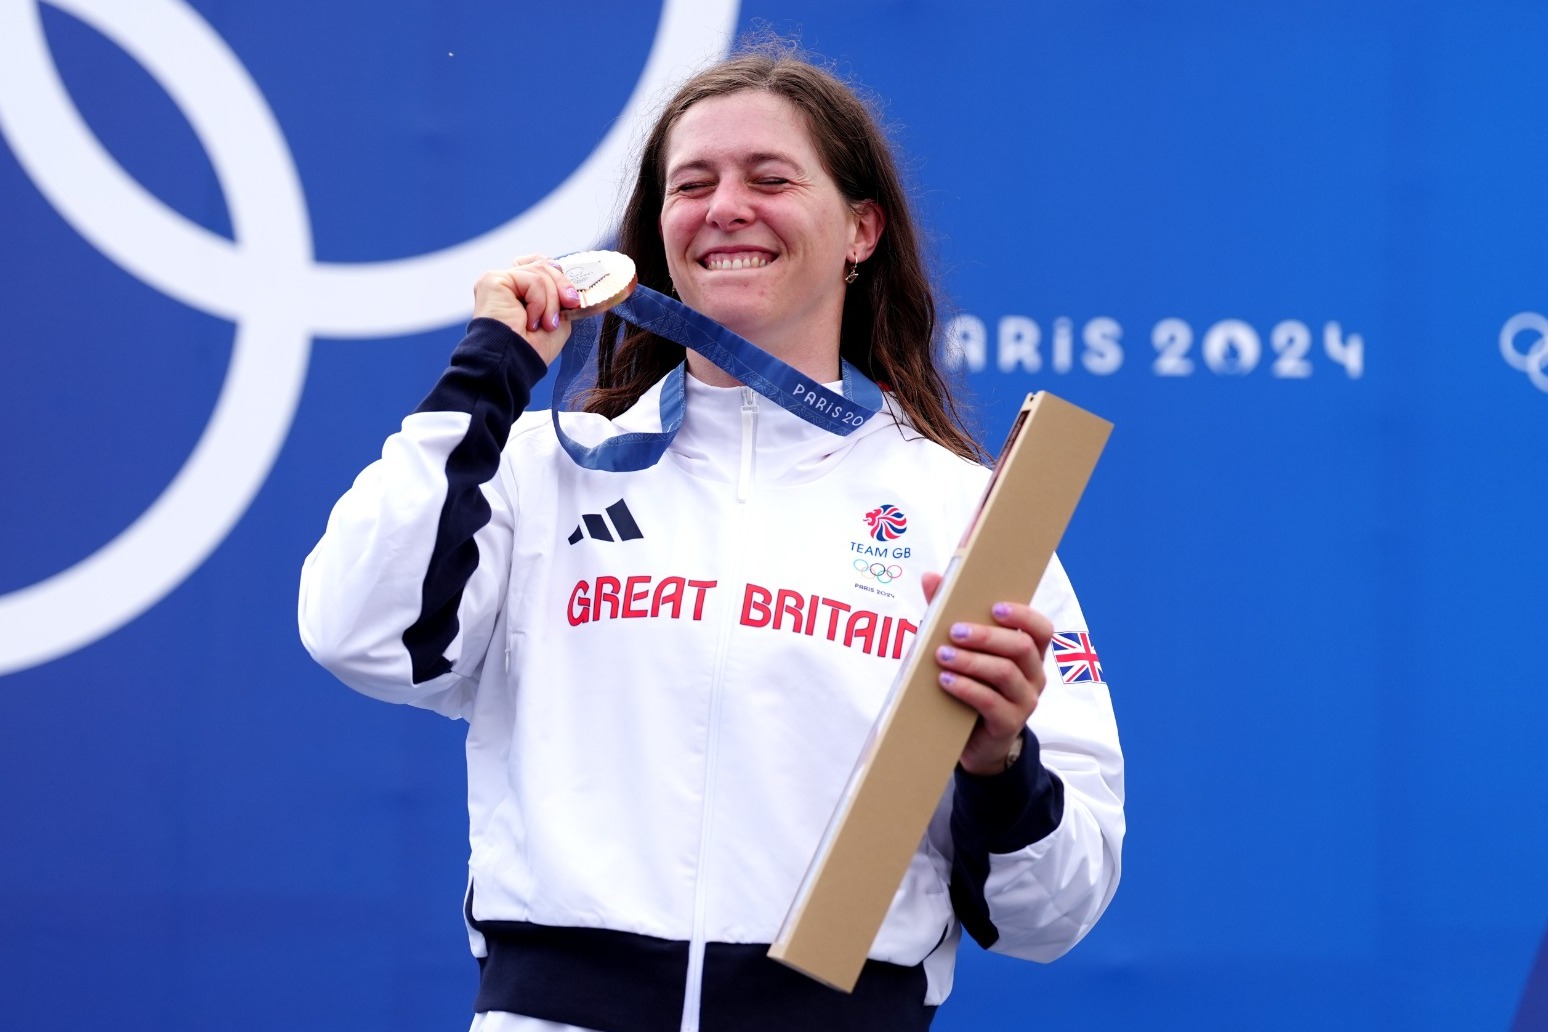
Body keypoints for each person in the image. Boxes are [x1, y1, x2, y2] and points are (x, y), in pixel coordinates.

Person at [299, 42, 1123, 1032]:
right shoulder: (540, 468)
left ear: (863, 230)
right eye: (692, 185)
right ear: (657, 237)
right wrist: (488, 375)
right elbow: (359, 631)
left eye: (770, 178)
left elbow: (1056, 910)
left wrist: (1001, 765)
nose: (725, 206)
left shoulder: (966, 517)